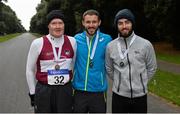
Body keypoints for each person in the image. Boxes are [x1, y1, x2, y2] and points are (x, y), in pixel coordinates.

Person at [105, 9, 157, 113]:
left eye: (127, 22)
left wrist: (142, 82)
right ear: (117, 25)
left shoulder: (145, 44)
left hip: (140, 96)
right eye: (120, 23)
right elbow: (109, 68)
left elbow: (152, 67)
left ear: (132, 23)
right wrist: (120, 82)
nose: (124, 26)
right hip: (119, 95)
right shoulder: (110, 46)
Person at [26, 10, 76, 113]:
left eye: (60, 23)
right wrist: (32, 93)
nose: (57, 26)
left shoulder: (72, 41)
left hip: (65, 89)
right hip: (44, 89)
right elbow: (29, 70)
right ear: (48, 26)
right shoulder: (38, 43)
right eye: (54, 23)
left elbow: (73, 65)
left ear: (64, 25)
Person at [72, 9, 112, 113]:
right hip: (79, 90)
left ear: (99, 22)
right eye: (88, 22)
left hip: (98, 91)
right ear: (83, 23)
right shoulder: (76, 39)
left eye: (94, 22)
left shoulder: (107, 39)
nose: (91, 25)